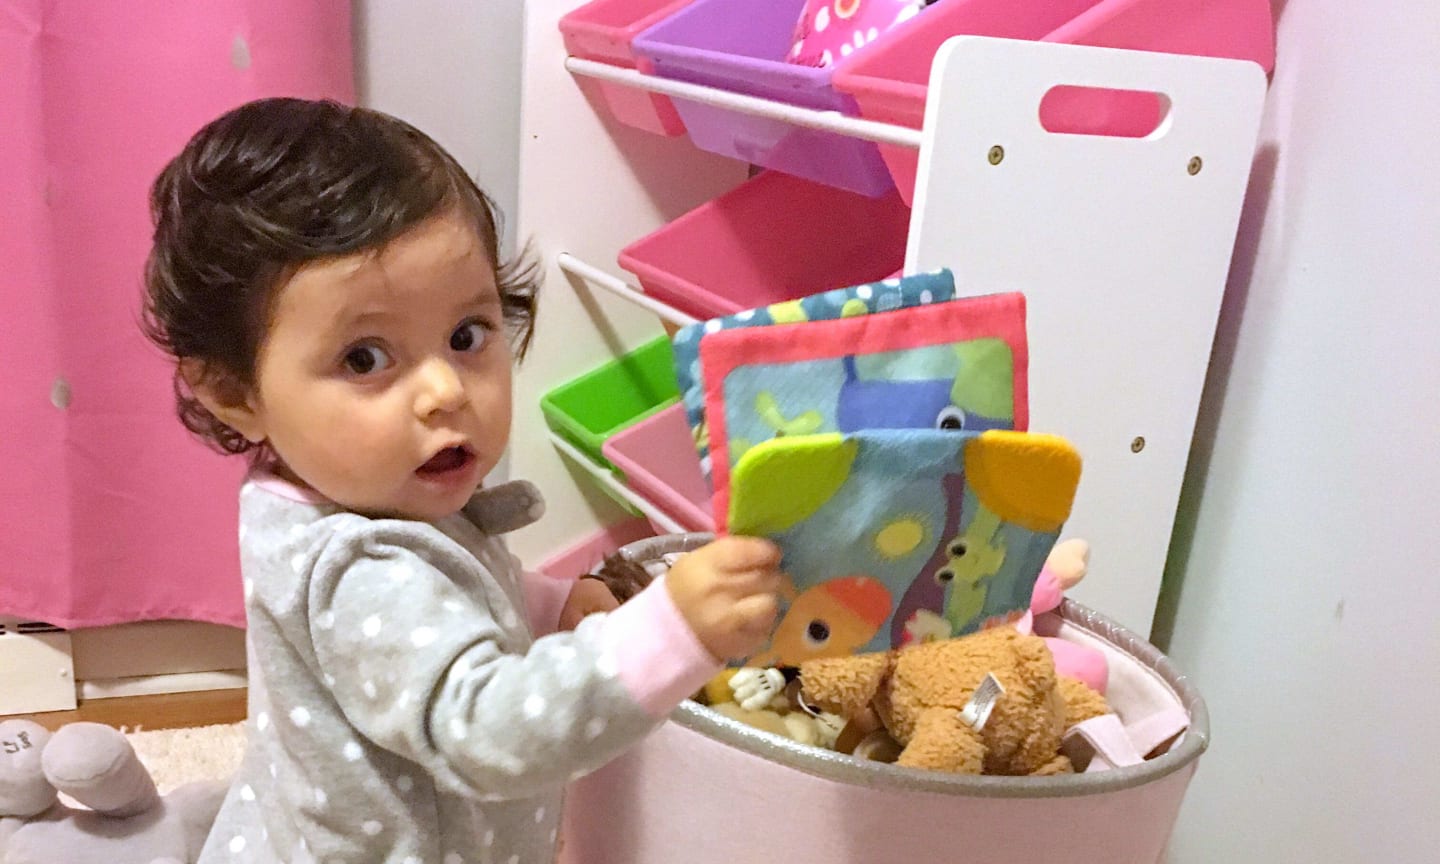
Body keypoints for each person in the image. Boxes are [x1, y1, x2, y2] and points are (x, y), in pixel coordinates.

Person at [141, 97, 783, 864]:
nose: (445, 389)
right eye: (365, 359)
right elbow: (487, 733)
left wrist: (542, 605)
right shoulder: (359, 568)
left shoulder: (366, 490)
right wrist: (669, 634)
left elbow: (450, 591)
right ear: (236, 395)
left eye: (466, 335)